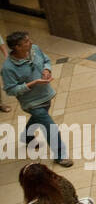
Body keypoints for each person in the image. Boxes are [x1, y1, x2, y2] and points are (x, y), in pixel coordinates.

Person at [3, 31, 72, 164]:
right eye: (27, 42)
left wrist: (47, 70)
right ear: (17, 47)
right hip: (32, 103)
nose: (31, 43)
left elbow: (46, 60)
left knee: (38, 118)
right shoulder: (8, 68)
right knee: (50, 126)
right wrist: (33, 83)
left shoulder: (34, 50)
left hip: (46, 95)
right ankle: (60, 155)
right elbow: (11, 90)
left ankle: (27, 136)